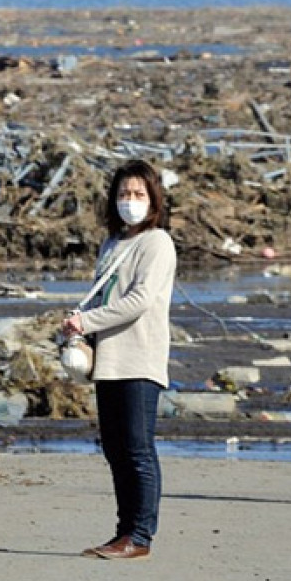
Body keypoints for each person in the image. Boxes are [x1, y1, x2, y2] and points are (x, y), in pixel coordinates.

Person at [62, 159, 176, 560]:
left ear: (153, 200)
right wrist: (80, 330)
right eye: (124, 194)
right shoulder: (112, 244)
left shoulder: (157, 243)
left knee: (137, 449)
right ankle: (123, 530)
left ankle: (141, 535)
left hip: (140, 359)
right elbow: (105, 295)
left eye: (138, 195)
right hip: (108, 360)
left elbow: (139, 301)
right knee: (114, 448)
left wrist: (86, 320)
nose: (131, 201)